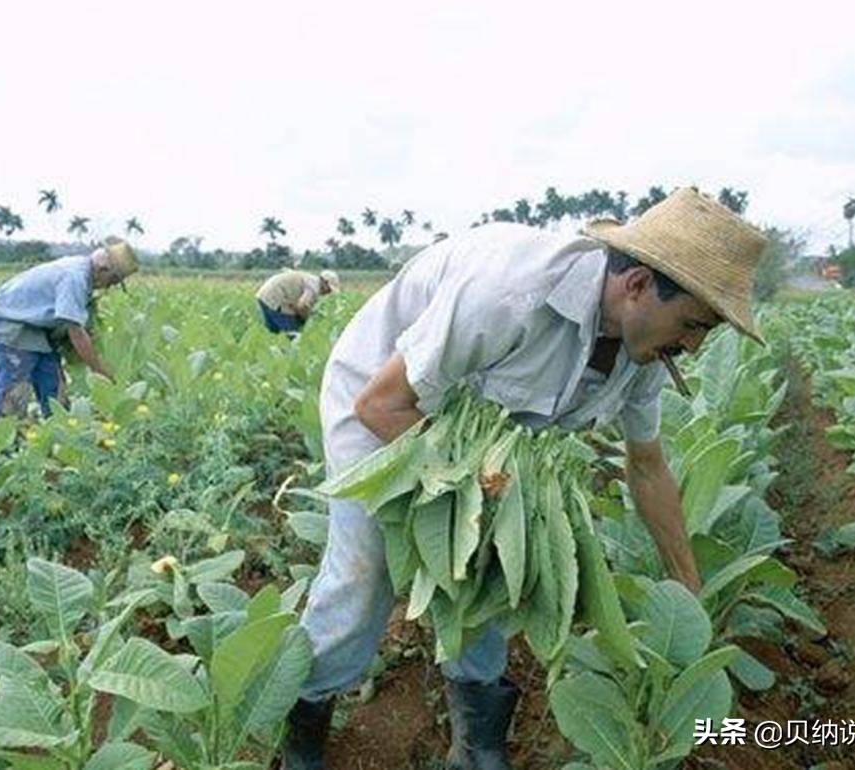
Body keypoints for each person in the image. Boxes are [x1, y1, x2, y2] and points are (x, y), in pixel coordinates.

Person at [282, 188, 768, 769]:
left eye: (705, 334)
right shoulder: (510, 293)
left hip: (484, 445)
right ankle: (302, 715)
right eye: (692, 325)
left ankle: (478, 739)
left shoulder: (644, 350)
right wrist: (477, 496)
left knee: (489, 573)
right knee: (368, 574)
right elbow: (381, 406)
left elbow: (648, 465)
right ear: (637, 286)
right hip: (383, 403)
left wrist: (690, 592)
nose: (692, 347)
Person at [0, 241, 137, 425]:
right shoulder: (74, 277)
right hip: (12, 322)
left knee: (54, 388)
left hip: (37, 327)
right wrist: (99, 371)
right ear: (103, 269)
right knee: (13, 392)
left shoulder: (83, 271)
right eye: (113, 281)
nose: (108, 287)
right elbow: (76, 332)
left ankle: (61, 441)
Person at [256, 269, 340, 335]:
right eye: (329, 289)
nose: (328, 293)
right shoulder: (314, 287)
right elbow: (302, 306)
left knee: (274, 333)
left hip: (264, 295)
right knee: (293, 334)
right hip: (275, 298)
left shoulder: (310, 278)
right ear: (325, 282)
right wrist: (305, 318)